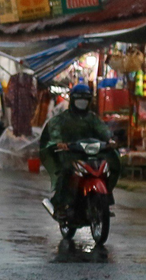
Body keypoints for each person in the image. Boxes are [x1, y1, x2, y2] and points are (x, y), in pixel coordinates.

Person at [39, 82, 119, 219]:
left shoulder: (92, 118)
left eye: (85, 99)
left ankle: (106, 197)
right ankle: (60, 204)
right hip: (70, 153)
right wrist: (60, 143)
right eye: (79, 99)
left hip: (92, 152)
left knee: (113, 161)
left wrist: (110, 140)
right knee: (66, 170)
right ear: (73, 100)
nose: (82, 102)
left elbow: (102, 129)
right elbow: (54, 130)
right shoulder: (64, 118)